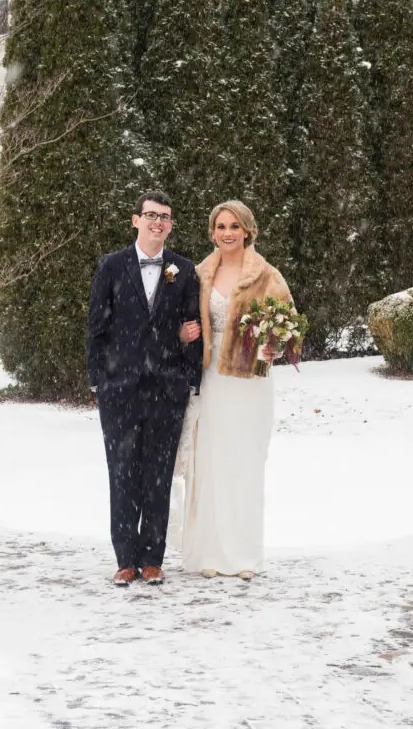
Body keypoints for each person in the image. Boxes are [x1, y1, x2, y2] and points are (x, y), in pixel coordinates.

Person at [87, 191, 203, 586]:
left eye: (165, 217)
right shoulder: (111, 266)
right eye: (151, 215)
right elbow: (97, 327)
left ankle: (153, 558)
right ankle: (125, 559)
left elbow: (192, 325)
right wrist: (99, 380)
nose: (158, 222)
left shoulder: (183, 270)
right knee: (122, 474)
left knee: (158, 475)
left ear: (171, 225)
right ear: (136, 220)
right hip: (119, 389)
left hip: (167, 389)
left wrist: (188, 374)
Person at [179, 200, 293, 580]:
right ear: (213, 232)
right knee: (211, 463)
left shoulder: (266, 275)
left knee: (244, 464)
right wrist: (183, 334)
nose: (227, 233)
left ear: (247, 230)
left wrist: (274, 346)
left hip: (249, 382)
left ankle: (244, 556)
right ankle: (210, 554)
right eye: (220, 226)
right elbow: (181, 320)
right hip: (211, 378)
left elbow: (289, 327)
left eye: (234, 226)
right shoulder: (199, 274)